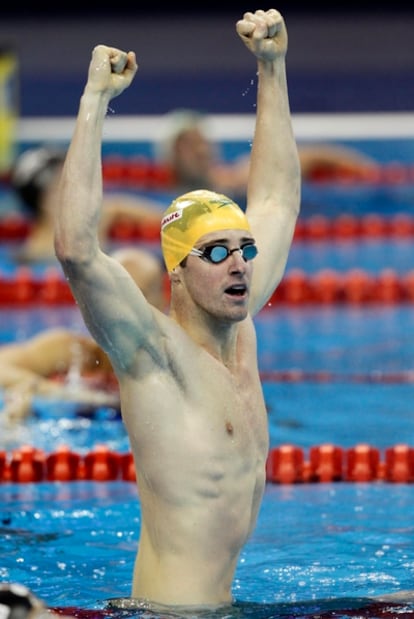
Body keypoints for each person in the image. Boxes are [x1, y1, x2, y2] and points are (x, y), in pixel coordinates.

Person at [54, 7, 301, 612]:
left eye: (243, 249)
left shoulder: (240, 330)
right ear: (179, 273)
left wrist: (273, 68)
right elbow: (77, 251)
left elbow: (276, 198)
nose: (239, 263)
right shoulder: (153, 356)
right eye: (216, 252)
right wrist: (94, 101)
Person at [153, 108, 379, 199]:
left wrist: (370, 174)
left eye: (200, 142)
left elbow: (312, 156)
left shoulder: (237, 179)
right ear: (170, 157)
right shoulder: (166, 195)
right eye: (186, 146)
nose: (199, 151)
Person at [9, 145, 164, 264]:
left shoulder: (92, 219)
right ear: (46, 200)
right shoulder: (38, 251)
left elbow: (118, 206)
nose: (77, 187)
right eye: (65, 183)